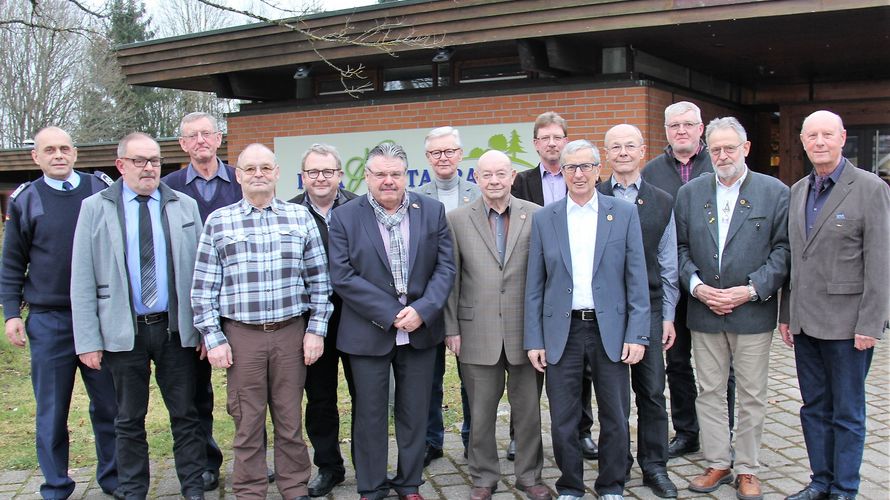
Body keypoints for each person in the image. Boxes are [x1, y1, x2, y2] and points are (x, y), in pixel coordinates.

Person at [71, 132, 207, 500]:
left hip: (174, 330)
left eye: (155, 161)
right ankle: (133, 490)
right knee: (128, 420)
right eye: (139, 161)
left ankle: (193, 487)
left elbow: (200, 273)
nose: (149, 168)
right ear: (120, 165)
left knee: (185, 414)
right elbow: (81, 278)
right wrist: (88, 340)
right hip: (123, 330)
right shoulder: (95, 207)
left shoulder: (184, 205)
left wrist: (205, 331)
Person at [191, 143, 331, 500]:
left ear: (277, 173)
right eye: (250, 168)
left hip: (290, 334)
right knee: (248, 422)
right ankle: (250, 490)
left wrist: (316, 330)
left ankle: (294, 488)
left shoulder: (300, 219)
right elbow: (203, 288)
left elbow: (320, 282)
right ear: (237, 175)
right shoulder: (219, 222)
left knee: (289, 420)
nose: (258, 175)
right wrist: (213, 337)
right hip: (242, 338)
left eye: (265, 168)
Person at [328, 142, 455, 500]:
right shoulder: (346, 217)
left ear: (406, 175)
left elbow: (446, 268)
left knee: (415, 412)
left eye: (395, 174)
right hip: (368, 331)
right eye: (380, 174)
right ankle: (371, 486)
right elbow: (343, 276)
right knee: (369, 414)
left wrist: (423, 310)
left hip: (420, 329)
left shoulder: (431, 211)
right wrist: (390, 314)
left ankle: (410, 483)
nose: (388, 181)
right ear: (367, 177)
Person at [525, 139, 649, 500]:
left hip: (609, 329)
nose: (577, 174)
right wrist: (535, 339)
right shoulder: (545, 218)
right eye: (570, 168)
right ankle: (570, 486)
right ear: (560, 173)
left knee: (615, 416)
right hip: (561, 331)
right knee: (563, 419)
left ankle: (611, 485)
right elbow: (535, 283)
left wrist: (637, 334)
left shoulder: (622, 213)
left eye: (585, 166)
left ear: (598, 170)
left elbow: (636, 279)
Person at [0, 126, 119, 499]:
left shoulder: (100, 189)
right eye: (49, 149)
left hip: (98, 317)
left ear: (75, 153)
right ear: (35, 157)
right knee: (52, 411)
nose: (58, 155)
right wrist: (11, 312)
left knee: (110, 406)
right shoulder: (26, 200)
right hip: (51, 319)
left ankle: (114, 479)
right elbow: (12, 262)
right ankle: (56, 484)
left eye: (65, 148)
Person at [675, 117, 790, 500]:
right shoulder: (691, 193)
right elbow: (678, 249)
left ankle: (747, 468)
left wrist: (750, 290)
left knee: (752, 393)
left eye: (730, 147)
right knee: (708, 391)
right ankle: (717, 462)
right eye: (716, 148)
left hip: (751, 311)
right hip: (705, 310)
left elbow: (783, 251)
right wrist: (697, 286)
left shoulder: (774, 192)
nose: (723, 155)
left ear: (746, 148)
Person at [779, 110, 889, 500]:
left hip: (848, 326)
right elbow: (795, 259)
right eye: (812, 136)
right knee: (813, 408)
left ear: (842, 138)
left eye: (827, 134)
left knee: (847, 412)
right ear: (804, 142)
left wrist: (871, 324)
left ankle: (845, 487)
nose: (819, 142)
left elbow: (880, 261)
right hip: (805, 324)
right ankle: (820, 480)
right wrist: (787, 314)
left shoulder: (870, 187)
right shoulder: (797, 191)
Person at [444, 150, 549, 500]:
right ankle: (483, 477)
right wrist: (451, 327)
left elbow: (545, 276)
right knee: (481, 412)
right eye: (486, 175)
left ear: (512, 176)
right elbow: (451, 277)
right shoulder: (457, 219)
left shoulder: (536, 215)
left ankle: (529, 476)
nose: (494, 181)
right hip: (476, 330)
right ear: (476, 177)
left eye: (500, 174)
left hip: (526, 332)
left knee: (529, 412)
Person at [641, 100, 734, 458]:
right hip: (673, 288)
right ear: (666, 131)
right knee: (677, 363)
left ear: (701, 129)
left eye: (688, 124)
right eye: (674, 125)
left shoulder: (721, 162)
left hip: (715, 286)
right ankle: (687, 431)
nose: (681, 131)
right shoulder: (652, 171)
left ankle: (721, 432)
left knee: (720, 368)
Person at [596, 124, 679, 498]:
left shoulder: (662, 200)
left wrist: (668, 315)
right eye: (616, 147)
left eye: (630, 146)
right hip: (603, 313)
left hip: (648, 308)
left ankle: (654, 465)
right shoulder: (590, 196)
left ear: (642, 151)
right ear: (607, 153)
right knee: (611, 397)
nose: (624, 152)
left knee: (652, 391)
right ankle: (616, 463)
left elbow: (669, 265)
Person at [511, 111, 597, 462]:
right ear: (535, 144)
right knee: (531, 373)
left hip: (578, 288)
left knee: (582, 371)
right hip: (539, 281)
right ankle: (521, 434)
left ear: (565, 141)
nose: (551, 143)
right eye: (544, 138)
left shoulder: (584, 178)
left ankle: (583, 431)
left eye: (556, 137)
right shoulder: (521, 182)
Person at [162, 111, 242, 490]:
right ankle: (206, 461)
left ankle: (252, 459)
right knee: (196, 393)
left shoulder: (240, 182)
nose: (200, 141)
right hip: (193, 303)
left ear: (218, 138)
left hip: (243, 303)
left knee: (251, 390)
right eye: (191, 136)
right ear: (182, 144)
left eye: (206, 134)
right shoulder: (168, 188)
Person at [288, 143, 358, 497]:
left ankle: (368, 463)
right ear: (302, 176)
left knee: (366, 395)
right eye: (313, 172)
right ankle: (329, 466)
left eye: (327, 171)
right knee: (320, 398)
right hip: (313, 321)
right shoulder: (288, 212)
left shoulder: (361, 207)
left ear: (340, 175)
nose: (320, 178)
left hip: (358, 318)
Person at [413, 126, 480, 466]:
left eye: (449, 151)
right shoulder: (414, 198)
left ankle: (473, 440)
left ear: (460, 154)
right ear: (427, 158)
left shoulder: (478, 193)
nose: (443, 157)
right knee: (429, 377)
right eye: (436, 152)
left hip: (468, 301)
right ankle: (431, 441)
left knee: (470, 377)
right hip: (428, 301)